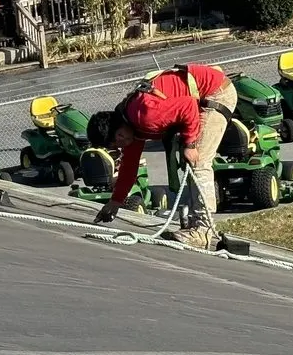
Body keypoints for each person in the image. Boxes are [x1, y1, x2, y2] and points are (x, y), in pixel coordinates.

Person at [86, 63, 237, 249]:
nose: (122, 145)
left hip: (216, 93)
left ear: (119, 132)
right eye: (116, 146)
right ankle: (193, 223)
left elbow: (188, 106)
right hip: (199, 95)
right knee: (189, 162)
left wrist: (190, 144)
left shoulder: (145, 115)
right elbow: (129, 167)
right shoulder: (129, 124)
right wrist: (115, 202)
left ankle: (202, 231)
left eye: (118, 141)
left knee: (198, 161)